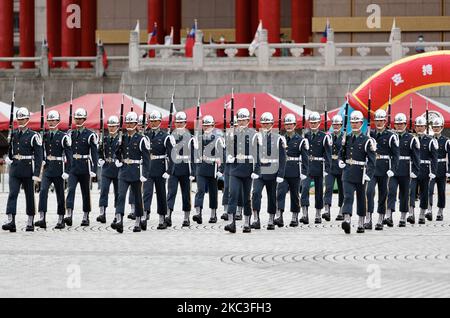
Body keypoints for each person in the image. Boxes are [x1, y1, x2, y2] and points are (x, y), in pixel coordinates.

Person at [2, 107, 43, 232]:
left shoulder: (34, 136)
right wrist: (9, 157)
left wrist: (36, 173)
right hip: (15, 168)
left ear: (27, 119)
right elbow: (11, 151)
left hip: (28, 168)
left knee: (29, 195)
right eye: (19, 119)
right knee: (12, 194)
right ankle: (11, 221)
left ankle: (30, 221)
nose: (20, 121)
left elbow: (39, 156)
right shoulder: (14, 134)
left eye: (23, 118)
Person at [339, 110, 376, 234]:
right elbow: (341, 153)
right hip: (348, 172)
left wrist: (368, 174)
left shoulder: (367, 140)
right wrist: (340, 161)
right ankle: (347, 220)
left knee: (361, 198)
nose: (354, 124)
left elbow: (372, 160)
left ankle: (361, 222)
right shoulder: (347, 137)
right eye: (352, 122)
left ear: (361, 123)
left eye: (356, 122)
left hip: (361, 173)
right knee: (348, 196)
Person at [113, 112, 150, 233]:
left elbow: (146, 159)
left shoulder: (141, 139)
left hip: (136, 171)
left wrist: (145, 174)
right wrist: (117, 158)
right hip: (124, 171)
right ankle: (119, 220)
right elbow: (117, 152)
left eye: (131, 123)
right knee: (121, 195)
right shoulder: (122, 137)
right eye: (127, 123)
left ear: (136, 124)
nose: (129, 125)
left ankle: (138, 221)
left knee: (137, 198)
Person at [225, 108, 259, 233]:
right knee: (232, 193)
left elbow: (258, 154)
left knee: (246, 197)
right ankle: (231, 222)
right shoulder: (232, 133)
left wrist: (257, 170)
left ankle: (246, 223)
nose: (241, 122)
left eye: (244, 120)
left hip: (248, 168)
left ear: (248, 120)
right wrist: (228, 155)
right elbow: (229, 149)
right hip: (235, 167)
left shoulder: (254, 134)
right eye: (239, 120)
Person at [36, 110, 72, 230]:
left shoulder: (63, 137)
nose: (51, 122)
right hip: (47, 168)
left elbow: (69, 156)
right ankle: (42, 218)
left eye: (53, 120)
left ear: (58, 121)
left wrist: (67, 171)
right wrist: (42, 159)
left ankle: (61, 219)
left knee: (60, 194)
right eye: (49, 120)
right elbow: (40, 151)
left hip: (58, 169)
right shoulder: (44, 136)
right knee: (43, 191)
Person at [365, 109, 399, 230]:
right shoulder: (371, 134)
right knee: (369, 192)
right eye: (377, 120)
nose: (379, 123)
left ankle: (380, 219)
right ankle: (368, 218)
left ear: (385, 121)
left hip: (385, 169)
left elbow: (396, 155)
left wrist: (393, 169)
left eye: (381, 120)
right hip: (372, 168)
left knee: (383, 194)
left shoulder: (391, 136)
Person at [252, 112, 286, 231]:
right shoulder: (257, 137)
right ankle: (256, 219)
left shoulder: (278, 139)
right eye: (263, 123)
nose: (265, 125)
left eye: (268, 123)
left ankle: (271, 219)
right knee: (255, 193)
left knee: (272, 196)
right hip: (259, 171)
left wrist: (281, 174)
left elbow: (282, 158)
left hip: (273, 171)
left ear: (272, 124)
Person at [64, 108, 99, 227]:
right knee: (71, 189)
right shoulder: (70, 133)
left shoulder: (90, 135)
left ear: (84, 119)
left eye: (80, 119)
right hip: (73, 166)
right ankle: (69, 214)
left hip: (84, 166)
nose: (78, 120)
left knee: (85, 192)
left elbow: (94, 153)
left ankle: (86, 215)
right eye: (76, 118)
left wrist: (94, 169)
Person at [275, 114, 309, 227]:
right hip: (283, 171)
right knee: (280, 193)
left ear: (295, 125)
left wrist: (304, 171)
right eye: (287, 124)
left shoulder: (300, 140)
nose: (289, 126)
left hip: (295, 171)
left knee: (295, 195)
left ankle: (295, 216)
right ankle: (279, 215)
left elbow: (305, 158)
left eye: (291, 124)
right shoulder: (281, 139)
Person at [387, 113, 420, 227]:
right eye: (397, 124)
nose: (399, 126)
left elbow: (416, 157)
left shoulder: (411, 138)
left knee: (404, 194)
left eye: (401, 124)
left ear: (405, 124)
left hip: (406, 170)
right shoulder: (391, 136)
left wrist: (415, 171)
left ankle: (403, 217)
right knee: (391, 191)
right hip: (393, 170)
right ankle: (389, 215)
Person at [143, 110, 174, 230]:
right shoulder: (146, 135)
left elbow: (172, 156)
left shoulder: (165, 137)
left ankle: (162, 218)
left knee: (161, 194)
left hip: (161, 168)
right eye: (151, 121)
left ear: (160, 122)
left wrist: (169, 171)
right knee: (147, 193)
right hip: (149, 168)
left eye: (155, 121)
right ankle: (144, 216)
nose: (153, 123)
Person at [300, 112, 332, 224]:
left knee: (319, 192)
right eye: (311, 122)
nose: (313, 124)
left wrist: (327, 169)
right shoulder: (305, 136)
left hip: (319, 167)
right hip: (308, 166)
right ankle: (304, 214)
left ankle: (318, 214)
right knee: (304, 189)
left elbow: (328, 155)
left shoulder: (324, 137)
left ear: (319, 123)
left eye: (315, 122)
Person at [192, 115, 224, 225]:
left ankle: (213, 214)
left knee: (213, 192)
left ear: (213, 126)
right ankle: (198, 213)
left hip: (213, 168)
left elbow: (222, 154)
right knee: (200, 190)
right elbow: (195, 154)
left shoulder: (217, 139)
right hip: (201, 168)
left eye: (208, 125)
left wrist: (221, 169)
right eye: (204, 125)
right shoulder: (199, 138)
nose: (206, 128)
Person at [167, 112, 195, 227]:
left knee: (186, 194)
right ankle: (168, 215)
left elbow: (193, 156)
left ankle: (186, 217)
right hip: (173, 168)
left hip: (185, 168)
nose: (179, 124)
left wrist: (193, 171)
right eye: (177, 123)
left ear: (185, 123)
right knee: (171, 192)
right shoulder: (170, 137)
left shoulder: (190, 138)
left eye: (181, 122)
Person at [409, 116, 438, 224]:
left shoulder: (430, 140)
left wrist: (433, 172)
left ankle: (422, 214)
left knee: (424, 192)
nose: (420, 128)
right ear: (415, 127)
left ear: (425, 127)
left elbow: (434, 158)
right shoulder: (411, 139)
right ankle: (411, 213)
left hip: (425, 169)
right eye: (418, 126)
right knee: (411, 191)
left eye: (422, 126)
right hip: (413, 169)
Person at [97, 116, 120, 224]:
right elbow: (99, 151)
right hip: (106, 168)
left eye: (113, 126)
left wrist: (120, 160)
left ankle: (117, 214)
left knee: (118, 193)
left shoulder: (121, 139)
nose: (111, 128)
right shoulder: (104, 139)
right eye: (110, 126)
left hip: (118, 170)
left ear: (117, 126)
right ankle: (102, 213)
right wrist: (100, 158)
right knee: (104, 190)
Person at [426, 117, 450, 221]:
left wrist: (449, 171)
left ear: (442, 127)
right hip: (431, 168)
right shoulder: (429, 139)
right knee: (429, 190)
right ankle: (429, 210)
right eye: (434, 127)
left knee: (441, 191)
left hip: (441, 168)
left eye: (438, 127)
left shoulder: (446, 141)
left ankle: (440, 211)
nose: (435, 129)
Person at [323, 114, 345, 222]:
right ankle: (327, 209)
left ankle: (341, 211)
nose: (336, 126)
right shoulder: (328, 136)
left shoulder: (345, 136)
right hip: (331, 165)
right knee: (328, 187)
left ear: (341, 125)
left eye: (338, 124)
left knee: (342, 189)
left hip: (341, 166)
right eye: (334, 124)